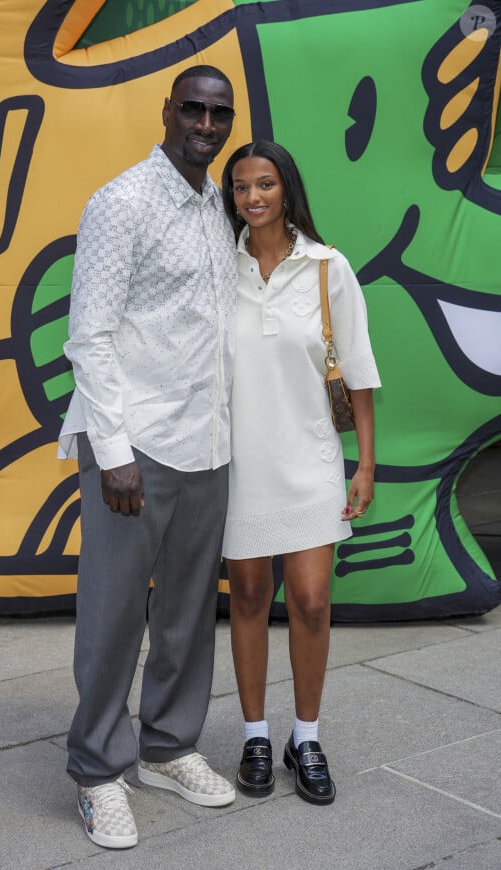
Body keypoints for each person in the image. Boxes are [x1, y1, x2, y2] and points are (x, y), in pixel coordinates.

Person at [58, 65, 239, 850]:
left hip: (207, 442)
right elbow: (88, 335)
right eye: (193, 108)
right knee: (111, 616)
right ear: (166, 112)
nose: (205, 122)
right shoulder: (122, 201)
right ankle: (98, 770)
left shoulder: (216, 206)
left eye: (218, 112)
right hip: (134, 450)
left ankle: (166, 747)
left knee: (188, 616)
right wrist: (114, 452)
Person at [220, 141, 381, 805]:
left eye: (264, 184)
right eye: (239, 187)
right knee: (251, 599)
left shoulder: (327, 267)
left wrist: (366, 462)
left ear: (287, 189)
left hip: (311, 456)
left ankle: (305, 738)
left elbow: (361, 372)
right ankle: (256, 735)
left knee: (312, 600)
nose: (252, 198)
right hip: (236, 462)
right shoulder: (217, 267)